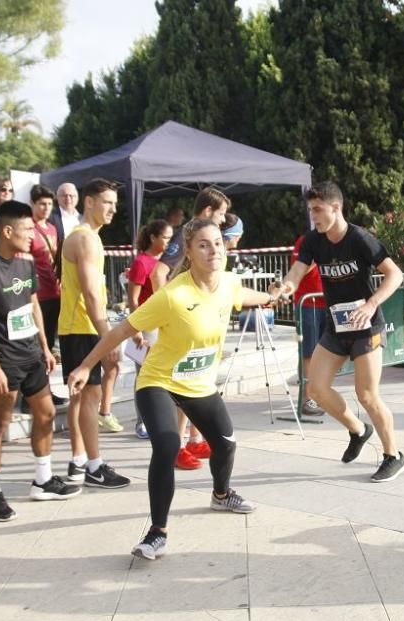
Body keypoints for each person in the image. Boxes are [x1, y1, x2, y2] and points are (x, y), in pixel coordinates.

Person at [69, 218, 279, 560]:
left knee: (226, 445)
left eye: (218, 243)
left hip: (199, 385)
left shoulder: (228, 283)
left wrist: (273, 295)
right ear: (190, 253)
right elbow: (121, 331)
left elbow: (246, 295)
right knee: (167, 445)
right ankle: (157, 533)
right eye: (203, 245)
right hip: (159, 382)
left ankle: (222, 495)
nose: (214, 250)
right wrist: (85, 365)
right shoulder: (173, 295)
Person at [276, 180, 404, 482]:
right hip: (336, 326)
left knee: (367, 395)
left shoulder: (359, 238)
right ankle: (358, 431)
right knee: (316, 389)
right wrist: (285, 287)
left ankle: (394, 455)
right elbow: (298, 272)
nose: (314, 217)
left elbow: (395, 274)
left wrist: (372, 303)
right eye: (311, 211)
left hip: (365, 328)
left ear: (336, 208)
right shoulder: (313, 240)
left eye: (318, 210)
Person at [0, 200, 81, 521]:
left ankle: (43, 480)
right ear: (7, 230)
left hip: (32, 356)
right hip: (4, 362)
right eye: (27, 229)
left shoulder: (26, 264)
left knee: (45, 414)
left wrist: (46, 348)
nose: (33, 233)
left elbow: (33, 307)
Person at [151, 189, 231, 469]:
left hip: (206, 319)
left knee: (201, 381)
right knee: (183, 385)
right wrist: (170, 313)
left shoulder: (209, 237)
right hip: (187, 320)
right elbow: (158, 272)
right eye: (220, 214)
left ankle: (196, 438)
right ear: (208, 211)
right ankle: (179, 445)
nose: (223, 221)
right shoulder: (185, 236)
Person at [57, 178, 130, 488]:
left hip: (83, 325)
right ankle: (93, 466)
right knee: (89, 397)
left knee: (84, 398)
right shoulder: (84, 239)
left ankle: (81, 461)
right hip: (81, 327)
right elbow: (89, 292)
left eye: (115, 203)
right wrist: (107, 335)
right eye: (107, 202)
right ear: (89, 202)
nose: (112, 209)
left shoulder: (91, 238)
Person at [124, 219, 173, 438]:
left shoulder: (166, 262)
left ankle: (161, 418)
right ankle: (142, 421)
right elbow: (133, 300)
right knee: (144, 374)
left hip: (165, 324)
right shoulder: (141, 263)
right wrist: (136, 330)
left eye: (171, 237)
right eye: (165, 237)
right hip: (146, 326)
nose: (169, 242)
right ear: (153, 237)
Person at [28, 185, 67, 409]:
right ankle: (32, 393)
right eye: (41, 204)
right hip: (37, 293)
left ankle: (47, 390)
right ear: (33, 204)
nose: (45, 208)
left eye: (49, 204)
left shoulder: (52, 228)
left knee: (49, 344)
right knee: (36, 343)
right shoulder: (28, 229)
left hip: (55, 290)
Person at [290, 234, 326, 417]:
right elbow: (298, 270)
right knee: (308, 353)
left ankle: (319, 392)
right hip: (308, 304)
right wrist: (316, 257)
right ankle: (306, 398)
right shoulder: (305, 241)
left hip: (328, 303)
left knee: (328, 352)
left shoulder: (337, 239)